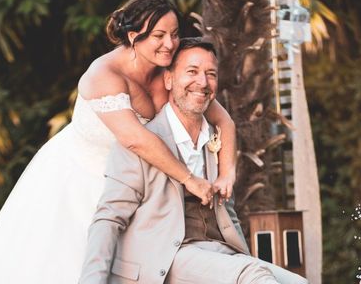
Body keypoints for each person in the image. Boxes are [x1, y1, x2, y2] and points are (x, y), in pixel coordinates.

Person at [0, 0, 237, 284]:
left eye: (174, 33)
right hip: (79, 180)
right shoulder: (103, 74)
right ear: (134, 37)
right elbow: (136, 139)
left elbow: (224, 121)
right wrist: (188, 179)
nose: (170, 43)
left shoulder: (168, 67)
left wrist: (227, 172)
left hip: (138, 180)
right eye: (159, 35)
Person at [80, 38, 307, 284]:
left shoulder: (217, 139)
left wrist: (243, 256)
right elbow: (109, 218)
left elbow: (226, 213)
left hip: (218, 251)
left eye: (211, 74)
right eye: (192, 71)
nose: (203, 82)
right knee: (253, 276)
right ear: (168, 80)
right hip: (166, 259)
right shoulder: (141, 144)